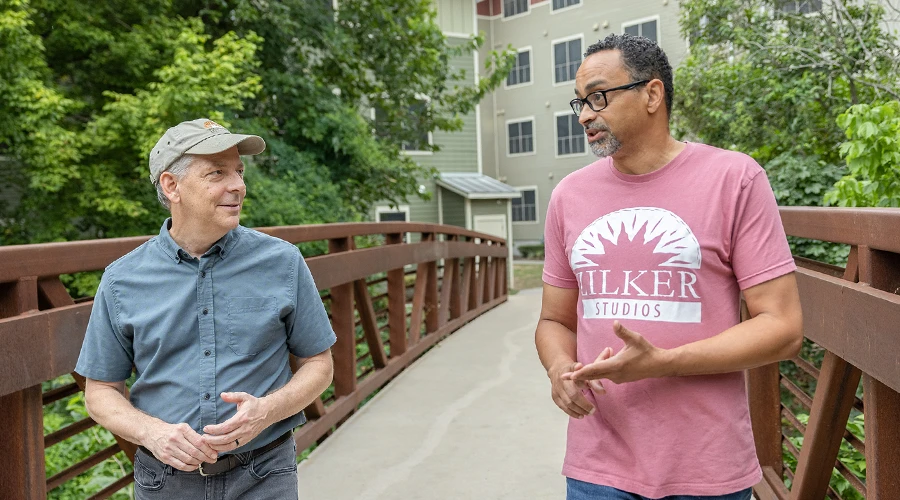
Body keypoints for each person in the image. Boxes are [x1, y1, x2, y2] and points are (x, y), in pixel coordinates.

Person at [535, 34, 803, 500]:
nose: (583, 115)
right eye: (579, 102)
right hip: (597, 466)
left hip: (708, 467)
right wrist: (559, 367)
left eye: (598, 96)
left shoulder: (735, 179)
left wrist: (663, 363)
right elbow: (553, 320)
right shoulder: (568, 196)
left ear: (652, 94)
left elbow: (783, 328)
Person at [75, 118, 336, 499]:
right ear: (171, 185)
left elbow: (319, 364)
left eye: (239, 172)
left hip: (265, 473)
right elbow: (100, 391)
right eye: (217, 173)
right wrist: (154, 433)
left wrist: (267, 409)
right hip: (165, 480)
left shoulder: (283, 261)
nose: (238, 186)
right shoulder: (122, 279)